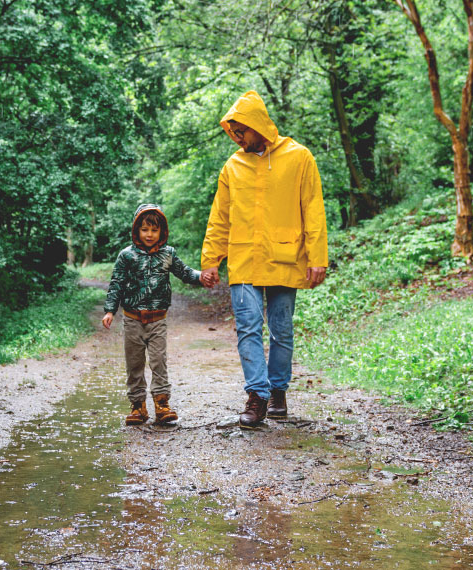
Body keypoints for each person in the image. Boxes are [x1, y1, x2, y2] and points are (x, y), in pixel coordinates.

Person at [200, 90, 327, 429]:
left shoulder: (300, 158)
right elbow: (220, 217)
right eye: (233, 132)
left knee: (281, 330)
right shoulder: (233, 166)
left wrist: (318, 257)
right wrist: (211, 259)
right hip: (243, 259)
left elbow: (313, 210)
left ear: (258, 125)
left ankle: (278, 391)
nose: (237, 138)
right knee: (248, 327)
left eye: (241, 131)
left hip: (286, 256)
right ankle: (257, 396)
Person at [103, 204, 216, 425]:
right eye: (144, 230)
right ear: (136, 230)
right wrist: (110, 310)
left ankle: (162, 404)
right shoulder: (126, 256)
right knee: (134, 364)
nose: (149, 235)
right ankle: (137, 406)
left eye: (154, 230)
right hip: (132, 318)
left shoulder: (168, 254)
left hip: (158, 320)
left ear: (161, 232)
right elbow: (116, 283)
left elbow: (184, 272)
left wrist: (200, 276)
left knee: (158, 362)